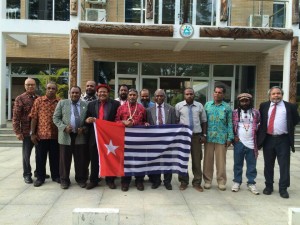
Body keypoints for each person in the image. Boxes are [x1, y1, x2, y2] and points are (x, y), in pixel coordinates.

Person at [257, 86, 300, 199]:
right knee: (268, 165)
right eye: (274, 93)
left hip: (283, 139)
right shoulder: (264, 106)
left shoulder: (290, 106)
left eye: (278, 93)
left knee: (284, 165)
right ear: (269, 95)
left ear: (282, 94)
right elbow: (261, 121)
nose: (276, 95)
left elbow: (295, 120)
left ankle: (283, 189)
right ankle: (269, 186)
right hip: (268, 139)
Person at [85, 84, 120, 190]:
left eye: (104, 92)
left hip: (109, 137)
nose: (102, 94)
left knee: (110, 158)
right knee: (94, 158)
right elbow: (86, 119)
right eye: (100, 92)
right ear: (97, 93)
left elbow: (118, 119)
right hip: (95, 136)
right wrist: (87, 120)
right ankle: (93, 180)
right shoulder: (91, 104)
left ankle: (110, 180)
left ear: (108, 93)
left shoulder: (115, 104)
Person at [53, 86, 89, 189]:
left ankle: (81, 179)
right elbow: (56, 118)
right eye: (73, 92)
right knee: (64, 160)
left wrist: (83, 128)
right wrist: (64, 127)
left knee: (80, 160)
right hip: (65, 136)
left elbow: (88, 121)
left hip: (79, 136)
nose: (74, 94)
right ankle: (64, 180)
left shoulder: (85, 105)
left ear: (80, 94)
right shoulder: (62, 103)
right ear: (69, 93)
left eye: (77, 93)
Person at [115, 88, 148, 191]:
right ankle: (125, 182)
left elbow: (145, 121)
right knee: (126, 161)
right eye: (130, 95)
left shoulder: (142, 108)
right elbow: (116, 121)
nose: (132, 96)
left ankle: (139, 181)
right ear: (128, 96)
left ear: (137, 96)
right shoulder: (121, 108)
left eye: (134, 95)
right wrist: (123, 122)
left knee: (139, 160)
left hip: (139, 140)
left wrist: (146, 124)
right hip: (125, 140)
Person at [175, 88, 207, 192]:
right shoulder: (179, 106)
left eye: (191, 94)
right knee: (183, 160)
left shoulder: (199, 106)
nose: (189, 96)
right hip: (183, 137)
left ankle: (197, 182)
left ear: (194, 95)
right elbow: (176, 121)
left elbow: (204, 121)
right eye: (187, 94)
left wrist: (204, 134)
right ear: (184, 95)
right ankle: (183, 182)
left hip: (196, 136)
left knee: (197, 160)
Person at [30, 81, 60, 187]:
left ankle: (56, 176)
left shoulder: (60, 102)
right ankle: (40, 178)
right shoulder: (39, 101)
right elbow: (34, 117)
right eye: (49, 88)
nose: (51, 90)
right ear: (45, 89)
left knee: (55, 158)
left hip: (56, 136)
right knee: (40, 158)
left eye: (53, 88)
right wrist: (32, 133)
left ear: (56, 90)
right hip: (41, 135)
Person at [203, 85, 234, 191]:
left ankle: (221, 181)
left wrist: (230, 137)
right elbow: (204, 121)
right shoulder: (207, 105)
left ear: (223, 94)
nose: (217, 94)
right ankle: (207, 180)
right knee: (208, 161)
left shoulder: (227, 107)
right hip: (209, 138)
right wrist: (203, 134)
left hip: (221, 138)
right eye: (215, 92)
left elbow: (230, 123)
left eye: (219, 92)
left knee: (221, 161)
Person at [146, 89, 176, 190]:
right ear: (154, 97)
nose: (159, 98)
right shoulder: (149, 110)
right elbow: (147, 124)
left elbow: (174, 124)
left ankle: (167, 182)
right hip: (154, 141)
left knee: (168, 161)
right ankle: (156, 181)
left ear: (164, 97)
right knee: (155, 161)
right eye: (157, 96)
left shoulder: (171, 109)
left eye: (161, 96)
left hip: (168, 139)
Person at [232, 93, 260, 195]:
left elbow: (259, 125)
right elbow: (232, 125)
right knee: (238, 164)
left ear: (250, 101)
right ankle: (237, 182)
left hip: (252, 143)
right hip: (239, 142)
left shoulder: (256, 112)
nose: (244, 103)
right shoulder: (235, 113)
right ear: (239, 102)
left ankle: (251, 183)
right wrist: (234, 137)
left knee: (252, 165)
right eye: (242, 101)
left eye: (246, 101)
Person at [12, 78, 38, 184]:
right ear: (25, 86)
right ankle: (27, 174)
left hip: (39, 132)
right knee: (26, 155)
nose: (30, 86)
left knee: (40, 154)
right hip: (26, 132)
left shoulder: (38, 98)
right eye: (28, 85)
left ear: (35, 86)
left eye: (32, 85)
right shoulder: (20, 99)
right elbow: (16, 117)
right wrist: (17, 132)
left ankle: (39, 172)